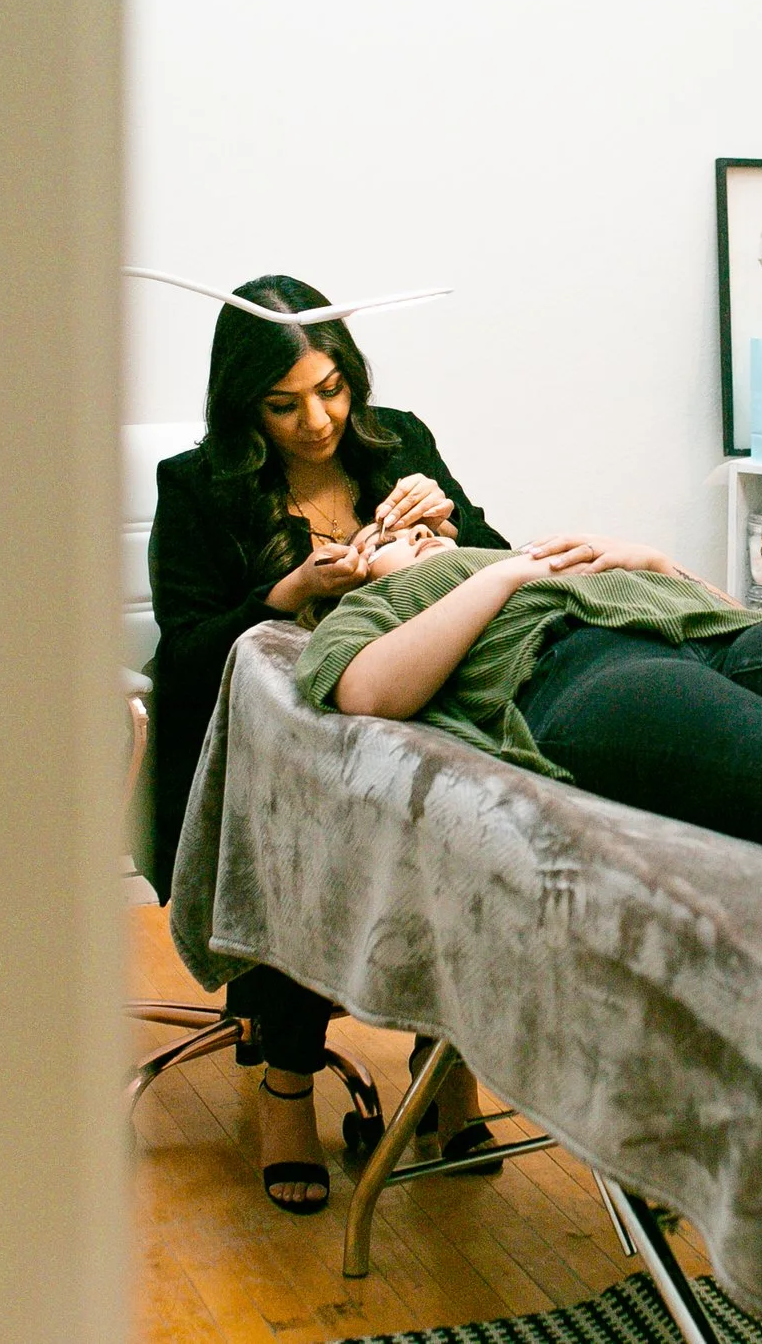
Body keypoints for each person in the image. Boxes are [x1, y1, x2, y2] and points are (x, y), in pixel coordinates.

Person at [148, 274, 508, 1214]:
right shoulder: (197, 486)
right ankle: (287, 1086)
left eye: (333, 390)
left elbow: (497, 569)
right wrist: (290, 592)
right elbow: (185, 652)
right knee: (306, 826)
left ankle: (446, 1063)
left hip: (399, 721)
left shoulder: (401, 444)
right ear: (243, 402)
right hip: (258, 746)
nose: (317, 421)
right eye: (284, 404)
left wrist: (448, 523)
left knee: (463, 817)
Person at [294, 532, 762, 951]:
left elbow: (726, 613)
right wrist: (505, 574)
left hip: (713, 636)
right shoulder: (380, 602)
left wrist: (652, 563)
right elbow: (368, 691)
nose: (416, 533)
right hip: (591, 678)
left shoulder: (529, 548)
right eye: (388, 537)